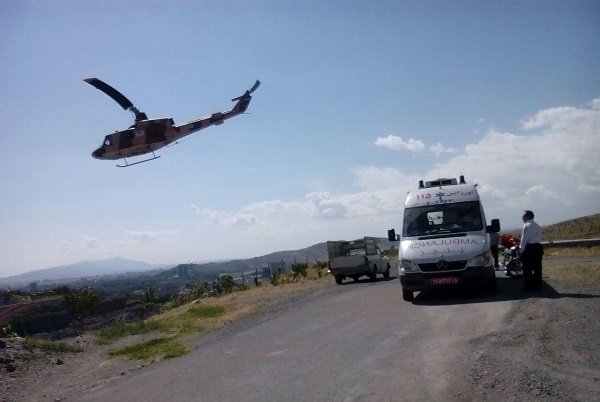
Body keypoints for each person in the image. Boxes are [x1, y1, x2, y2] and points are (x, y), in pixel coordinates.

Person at [519, 210, 544, 291]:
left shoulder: (526, 225)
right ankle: (538, 286)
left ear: (528, 216)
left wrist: (521, 250)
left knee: (527, 269)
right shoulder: (538, 226)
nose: (522, 217)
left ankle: (528, 286)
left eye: (524, 216)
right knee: (537, 268)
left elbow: (524, 239)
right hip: (538, 247)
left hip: (529, 248)